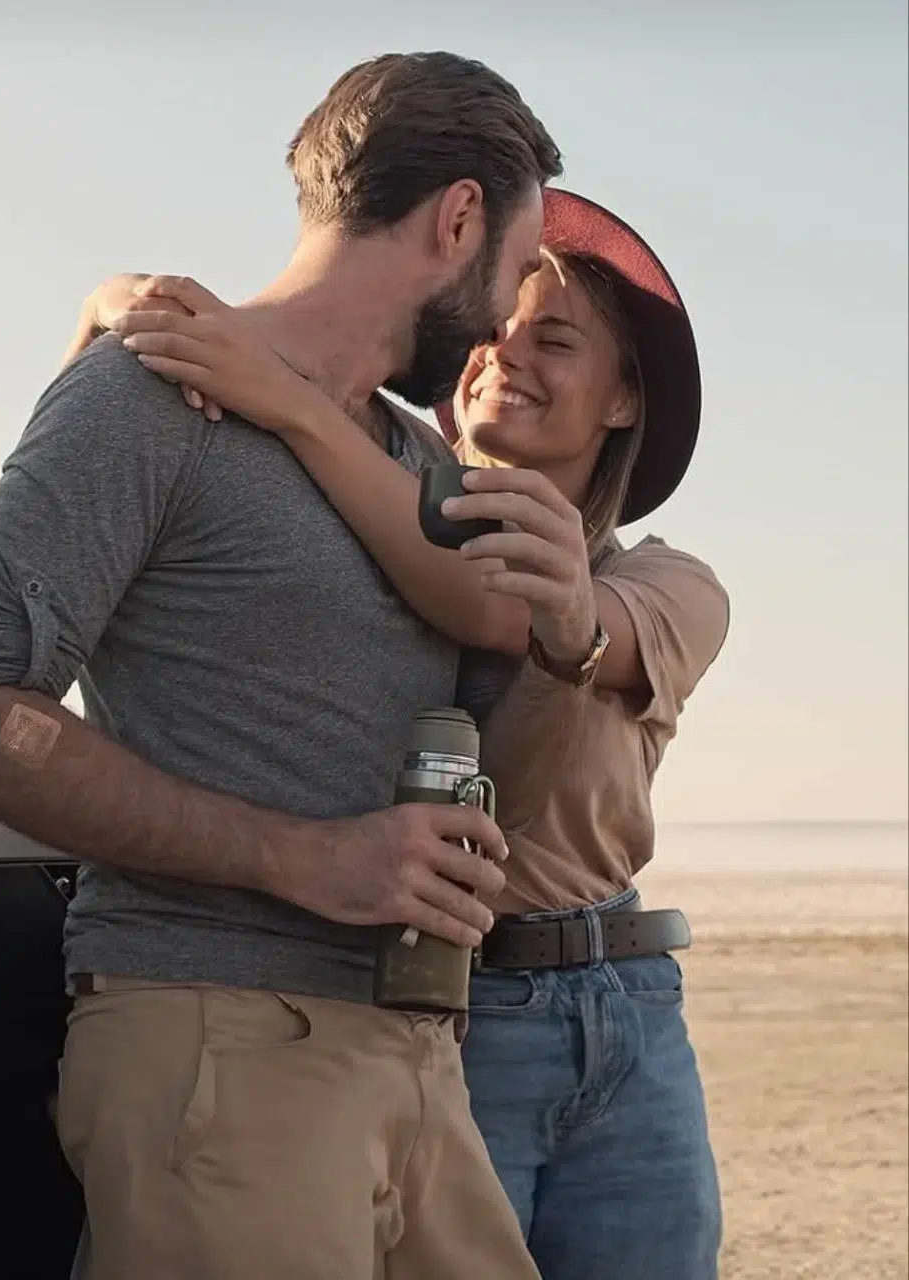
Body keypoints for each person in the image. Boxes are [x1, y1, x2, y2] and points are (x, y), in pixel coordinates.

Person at [0, 52, 563, 1280]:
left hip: (414, 1057)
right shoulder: (144, 394)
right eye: (515, 270)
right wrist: (304, 855)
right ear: (457, 217)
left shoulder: (415, 465)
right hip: (217, 1043)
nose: (504, 316)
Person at [78, 187, 729, 1279]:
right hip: (436, 1002)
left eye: (554, 340)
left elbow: (578, 631)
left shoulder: (665, 582)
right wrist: (112, 303)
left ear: (623, 401)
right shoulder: (356, 515)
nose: (502, 356)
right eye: (488, 332)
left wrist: (289, 407)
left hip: (620, 1004)